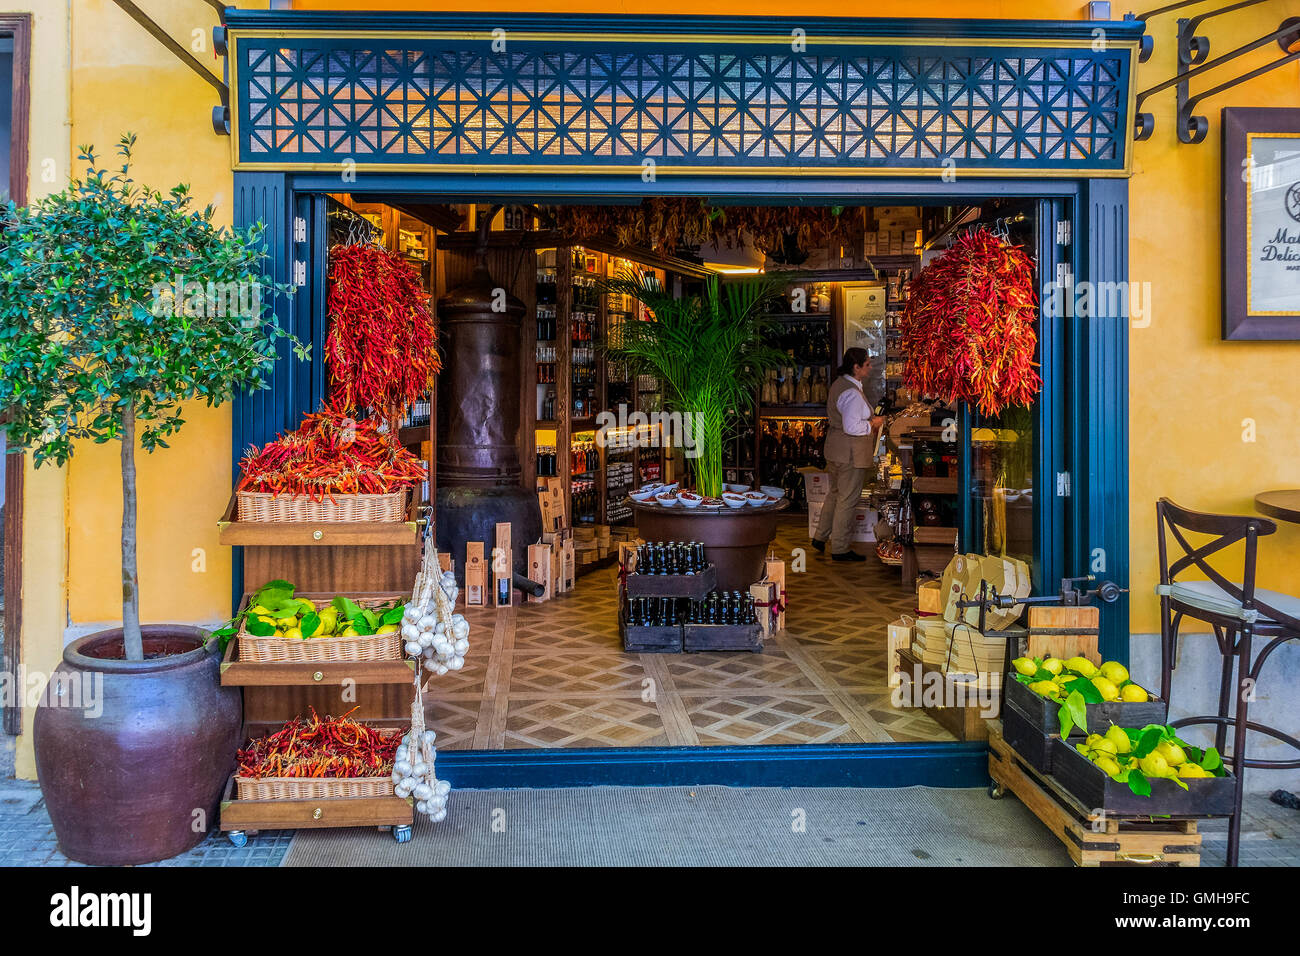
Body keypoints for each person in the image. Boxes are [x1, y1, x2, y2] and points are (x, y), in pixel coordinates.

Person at [811, 347, 883, 561]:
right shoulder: (851, 392)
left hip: (835, 449)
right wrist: (873, 424)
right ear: (856, 367)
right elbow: (852, 426)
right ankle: (840, 548)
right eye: (867, 364)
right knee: (847, 499)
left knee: (834, 494)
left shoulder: (840, 384)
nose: (870, 368)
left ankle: (820, 538)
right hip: (849, 453)